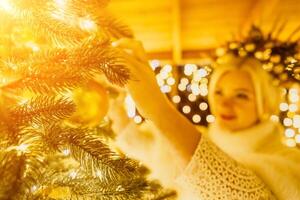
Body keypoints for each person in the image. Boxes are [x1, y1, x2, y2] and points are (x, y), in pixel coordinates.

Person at [111, 38, 300, 200]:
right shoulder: (198, 138)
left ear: (265, 104)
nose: (225, 104)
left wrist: (157, 106)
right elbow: (141, 146)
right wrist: (113, 99)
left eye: (241, 95)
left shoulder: (288, 163)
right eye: (219, 92)